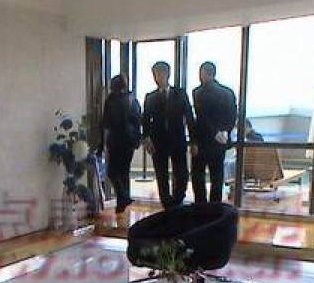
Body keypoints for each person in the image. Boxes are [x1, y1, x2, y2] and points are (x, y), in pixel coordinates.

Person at [142, 61, 196, 209]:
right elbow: (145, 120)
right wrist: (146, 139)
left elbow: (189, 117)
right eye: (155, 75)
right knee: (161, 174)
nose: (157, 78)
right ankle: (166, 203)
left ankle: (178, 199)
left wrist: (194, 141)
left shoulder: (180, 94)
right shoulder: (150, 97)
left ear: (167, 74)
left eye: (159, 74)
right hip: (158, 141)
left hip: (177, 140)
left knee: (182, 173)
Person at [192, 62, 237, 203]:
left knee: (198, 175)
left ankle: (201, 205)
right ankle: (215, 206)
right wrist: (225, 131)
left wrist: (213, 132)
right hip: (220, 141)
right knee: (217, 175)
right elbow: (233, 115)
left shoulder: (198, 92)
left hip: (202, 140)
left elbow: (202, 117)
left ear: (203, 73)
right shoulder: (228, 92)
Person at [99, 74, 142, 213]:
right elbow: (138, 120)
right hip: (130, 141)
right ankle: (123, 200)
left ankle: (123, 197)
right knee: (124, 171)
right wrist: (137, 139)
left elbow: (106, 122)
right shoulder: (132, 99)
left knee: (112, 171)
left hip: (116, 140)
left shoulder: (111, 100)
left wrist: (102, 143)